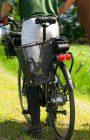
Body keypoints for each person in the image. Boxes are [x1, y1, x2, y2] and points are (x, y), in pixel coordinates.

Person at [0, 0, 75, 138]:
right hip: (53, 23)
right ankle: (52, 117)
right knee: (50, 66)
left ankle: (36, 129)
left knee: (32, 76)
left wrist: (2, 16)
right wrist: (57, 13)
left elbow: (8, 4)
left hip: (32, 25)